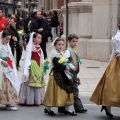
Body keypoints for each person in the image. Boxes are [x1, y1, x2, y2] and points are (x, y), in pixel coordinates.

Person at [90, 29, 120, 118]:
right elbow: (117, 50)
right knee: (113, 86)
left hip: (116, 61)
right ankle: (107, 105)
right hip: (117, 63)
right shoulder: (118, 37)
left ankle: (107, 106)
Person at [43, 37, 77, 116]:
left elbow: (66, 62)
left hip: (63, 74)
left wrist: (69, 66)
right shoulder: (55, 54)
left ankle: (67, 108)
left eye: (62, 44)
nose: (61, 46)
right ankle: (48, 109)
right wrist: (65, 67)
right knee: (54, 93)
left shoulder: (61, 53)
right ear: (55, 45)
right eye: (59, 44)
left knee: (67, 90)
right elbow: (57, 66)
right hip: (56, 76)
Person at [58, 34, 87, 113]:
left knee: (70, 89)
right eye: (73, 41)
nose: (75, 43)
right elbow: (64, 60)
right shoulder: (68, 51)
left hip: (74, 73)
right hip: (69, 73)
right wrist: (71, 66)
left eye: (76, 41)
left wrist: (77, 75)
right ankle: (78, 107)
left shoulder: (74, 50)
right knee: (74, 89)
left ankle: (62, 107)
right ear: (69, 41)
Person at [19, 32, 46, 105]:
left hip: (38, 66)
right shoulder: (30, 47)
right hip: (32, 66)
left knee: (38, 82)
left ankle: (37, 99)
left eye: (40, 38)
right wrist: (27, 68)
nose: (40, 39)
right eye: (38, 38)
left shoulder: (39, 47)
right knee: (30, 82)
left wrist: (44, 66)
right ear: (34, 38)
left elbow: (41, 57)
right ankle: (30, 100)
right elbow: (27, 58)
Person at [0, 30, 20, 110]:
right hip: (2, 67)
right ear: (2, 37)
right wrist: (1, 61)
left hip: (8, 66)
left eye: (9, 39)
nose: (8, 41)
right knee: (3, 84)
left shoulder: (7, 45)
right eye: (6, 39)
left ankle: (9, 102)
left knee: (10, 83)